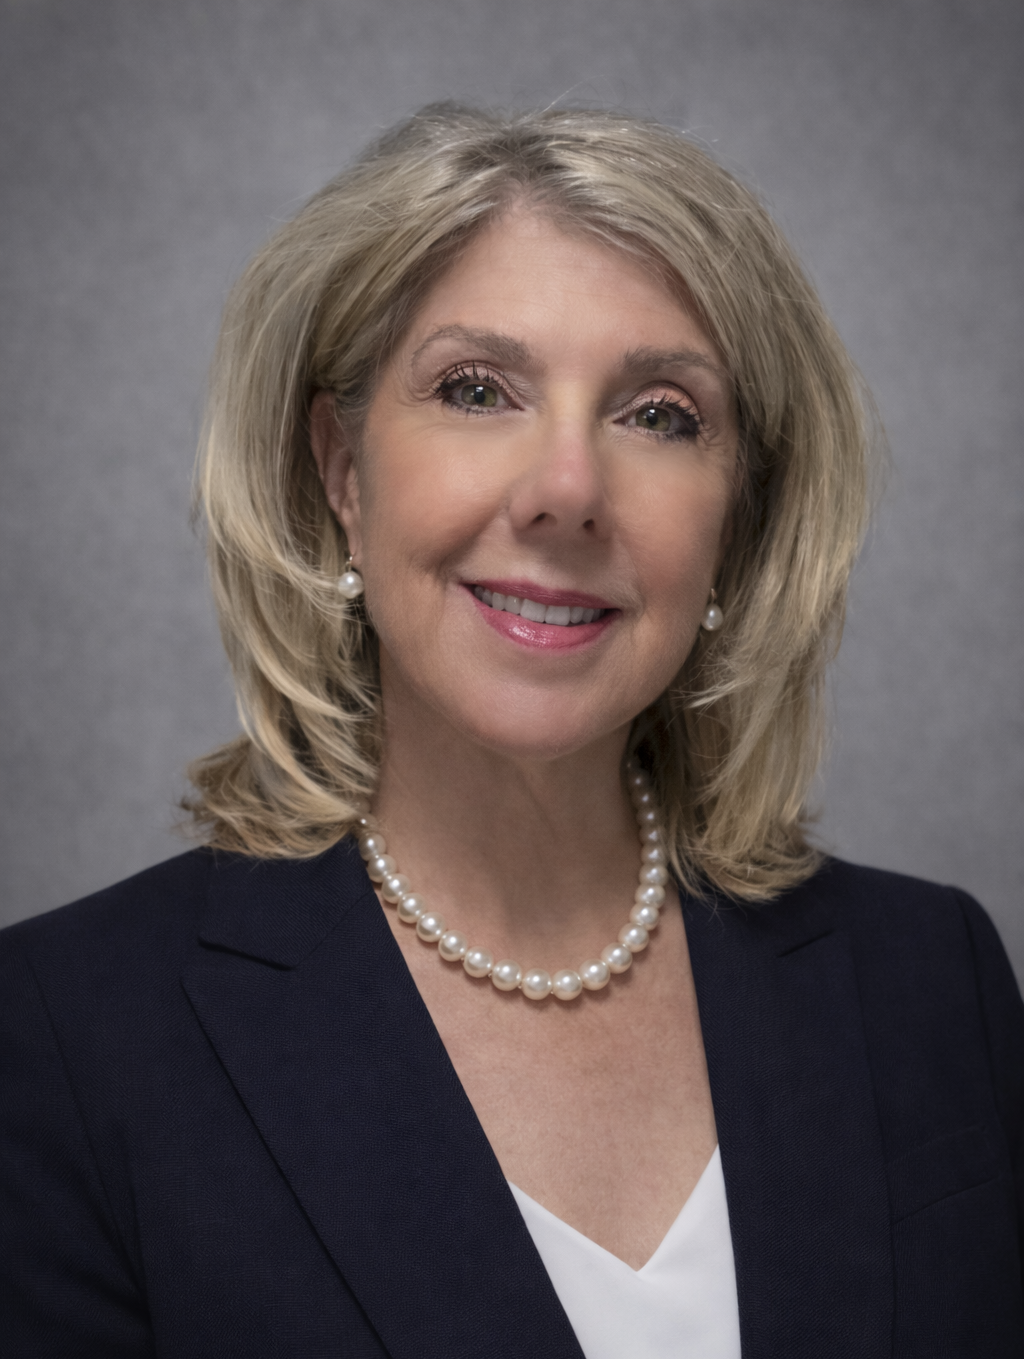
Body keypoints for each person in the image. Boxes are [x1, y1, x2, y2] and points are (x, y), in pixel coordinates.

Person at [1, 104, 1021, 1359]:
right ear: (341, 471)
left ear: (738, 519)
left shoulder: (935, 982)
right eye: (476, 390)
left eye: (659, 415)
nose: (567, 493)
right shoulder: (61, 1035)